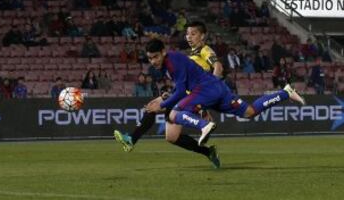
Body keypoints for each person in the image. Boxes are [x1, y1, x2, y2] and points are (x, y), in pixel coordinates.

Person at [142, 39, 305, 160]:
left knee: (173, 114)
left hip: (205, 90)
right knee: (250, 112)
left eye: (155, 57)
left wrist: (162, 105)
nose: (153, 61)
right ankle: (286, 92)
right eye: (150, 58)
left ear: (163, 51)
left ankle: (204, 126)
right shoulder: (167, 64)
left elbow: (180, 93)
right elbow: (181, 90)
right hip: (216, 88)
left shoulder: (173, 62)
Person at [114, 21, 224, 169]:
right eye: (187, 34)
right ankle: (208, 152)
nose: (189, 37)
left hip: (191, 97)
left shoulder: (205, 50)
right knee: (171, 137)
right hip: (184, 94)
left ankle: (131, 140)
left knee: (155, 106)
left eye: (193, 34)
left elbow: (218, 66)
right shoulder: (189, 56)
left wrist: (211, 90)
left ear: (202, 36)